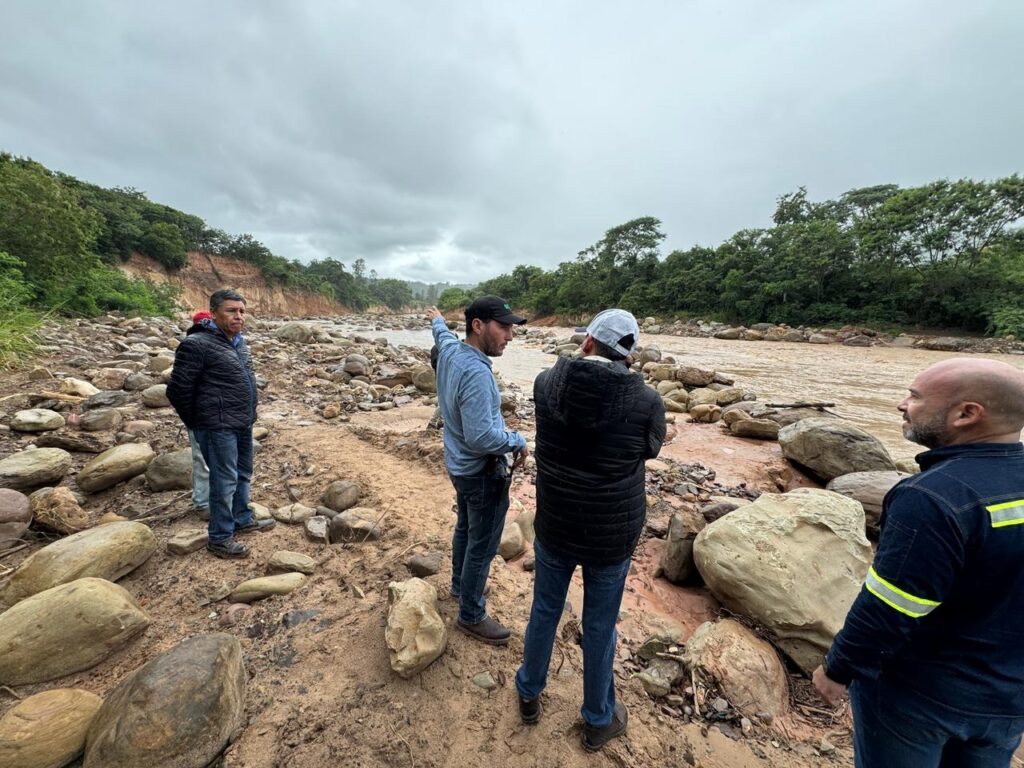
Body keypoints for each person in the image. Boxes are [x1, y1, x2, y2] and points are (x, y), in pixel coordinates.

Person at [813, 358, 1024, 768]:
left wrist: (838, 668)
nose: (900, 404)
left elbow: (891, 606)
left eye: (914, 396)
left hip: (920, 695)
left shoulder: (932, 497)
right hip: (1008, 697)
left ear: (967, 414)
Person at [515, 309, 666, 752]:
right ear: (629, 355)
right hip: (610, 534)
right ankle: (598, 718)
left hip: (557, 523)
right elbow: (651, 448)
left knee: (545, 608)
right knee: (600, 626)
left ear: (587, 342)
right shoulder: (646, 400)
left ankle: (528, 692)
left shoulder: (546, 383)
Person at [426, 296, 528, 645]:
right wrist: (518, 440)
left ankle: (459, 586)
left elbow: (440, 333)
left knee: (466, 529)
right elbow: (482, 436)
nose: (510, 336)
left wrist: (437, 318)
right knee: (481, 545)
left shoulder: (451, 351)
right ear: (478, 326)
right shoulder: (476, 372)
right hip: (481, 473)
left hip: (459, 466)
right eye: (504, 327)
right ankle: (470, 615)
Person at [167, 289, 274, 558]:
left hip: (242, 422)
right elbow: (178, 391)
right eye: (231, 311)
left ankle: (242, 518)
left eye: (241, 311)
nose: (238, 316)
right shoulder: (197, 344)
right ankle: (220, 537)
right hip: (216, 426)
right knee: (223, 480)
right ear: (213, 313)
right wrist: (197, 422)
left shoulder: (238, 342)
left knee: (242, 474)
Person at [186, 309, 212, 518]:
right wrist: (190, 415)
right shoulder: (192, 347)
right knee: (202, 458)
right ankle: (203, 503)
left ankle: (213, 500)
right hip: (202, 414)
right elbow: (179, 389)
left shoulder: (226, 344)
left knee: (207, 459)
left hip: (218, 414)